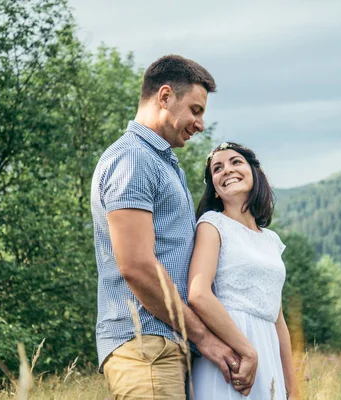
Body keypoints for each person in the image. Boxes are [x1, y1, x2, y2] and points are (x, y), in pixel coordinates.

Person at [90, 55, 242, 399]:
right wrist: (207, 340)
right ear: (164, 97)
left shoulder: (162, 163)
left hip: (168, 343)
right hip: (146, 346)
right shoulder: (132, 158)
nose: (200, 124)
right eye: (196, 110)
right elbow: (137, 267)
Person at [188, 142, 300, 399]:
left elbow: (278, 318)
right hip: (231, 350)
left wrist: (292, 388)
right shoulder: (212, 225)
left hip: (268, 353)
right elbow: (198, 294)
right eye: (217, 168)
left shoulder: (271, 240)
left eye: (235, 162)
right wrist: (247, 350)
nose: (227, 170)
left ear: (254, 172)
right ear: (214, 189)